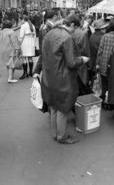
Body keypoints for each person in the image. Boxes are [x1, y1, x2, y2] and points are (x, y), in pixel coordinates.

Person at [35, 15, 89, 144]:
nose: (74, 31)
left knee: (53, 105)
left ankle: (55, 133)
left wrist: (37, 71)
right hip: (63, 78)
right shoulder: (67, 38)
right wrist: (82, 59)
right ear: (72, 25)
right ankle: (62, 136)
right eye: (75, 28)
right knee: (63, 108)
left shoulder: (49, 33)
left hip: (49, 76)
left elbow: (43, 56)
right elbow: (71, 62)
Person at [96, 17, 114, 110]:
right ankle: (113, 103)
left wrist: (97, 63)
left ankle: (105, 102)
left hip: (104, 63)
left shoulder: (105, 36)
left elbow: (100, 52)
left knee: (105, 84)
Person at [33, 9, 59, 75]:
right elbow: (47, 43)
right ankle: (36, 74)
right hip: (48, 54)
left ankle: (36, 73)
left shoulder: (49, 26)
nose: (59, 17)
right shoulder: (46, 27)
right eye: (58, 15)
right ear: (55, 16)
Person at [73, 16, 91, 84]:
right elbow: (85, 50)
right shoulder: (82, 33)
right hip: (81, 61)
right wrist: (89, 64)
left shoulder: (67, 32)